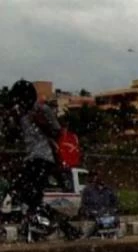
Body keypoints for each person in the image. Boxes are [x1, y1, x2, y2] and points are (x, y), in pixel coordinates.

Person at [4, 80, 81, 240]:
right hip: (31, 158)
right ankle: (61, 226)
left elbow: (58, 132)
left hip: (44, 158)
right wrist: (12, 119)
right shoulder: (21, 114)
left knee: (29, 194)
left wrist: (42, 123)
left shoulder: (41, 109)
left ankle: (55, 226)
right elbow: (12, 136)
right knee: (30, 197)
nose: (18, 103)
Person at [79, 172, 119, 237]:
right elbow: (84, 204)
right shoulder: (88, 190)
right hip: (93, 214)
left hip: (107, 214)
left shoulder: (109, 190)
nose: (101, 180)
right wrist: (90, 211)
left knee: (113, 221)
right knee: (93, 227)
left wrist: (113, 209)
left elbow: (115, 202)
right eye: (99, 178)